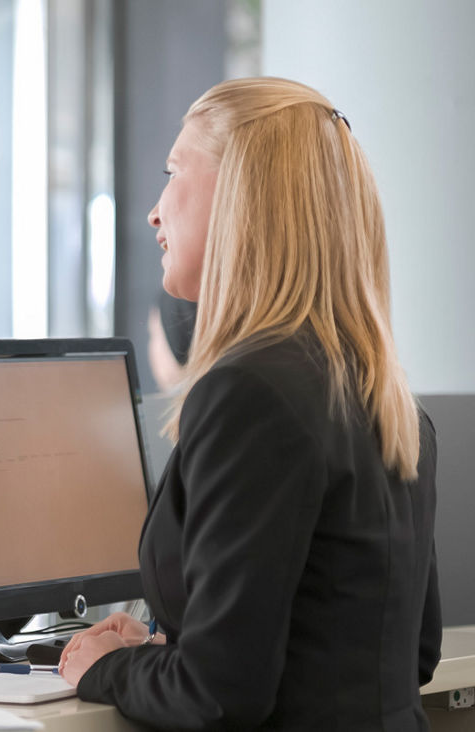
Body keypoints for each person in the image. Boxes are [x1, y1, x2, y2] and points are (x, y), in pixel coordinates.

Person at [59, 77, 441, 730]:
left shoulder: (250, 394)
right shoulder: (377, 392)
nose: (154, 211)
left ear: (242, 197)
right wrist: (167, 651)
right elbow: (414, 654)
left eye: (173, 172)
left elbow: (218, 696)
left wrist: (102, 664)